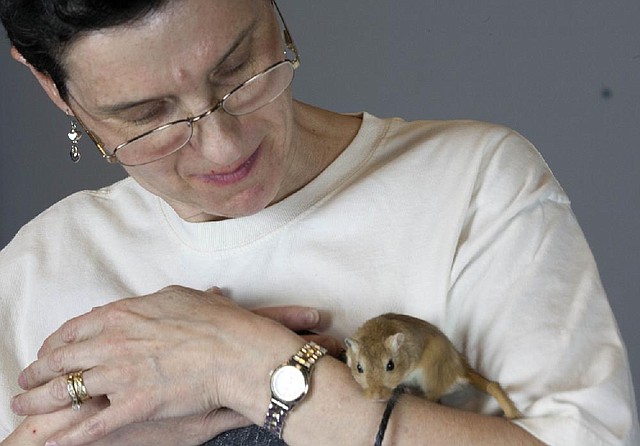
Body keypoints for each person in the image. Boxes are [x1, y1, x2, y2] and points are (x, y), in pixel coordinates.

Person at [0, 0, 637, 445]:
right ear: (54, 88)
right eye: (147, 114)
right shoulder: (39, 268)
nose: (222, 146)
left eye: (238, 66)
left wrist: (245, 365)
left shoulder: (470, 183)